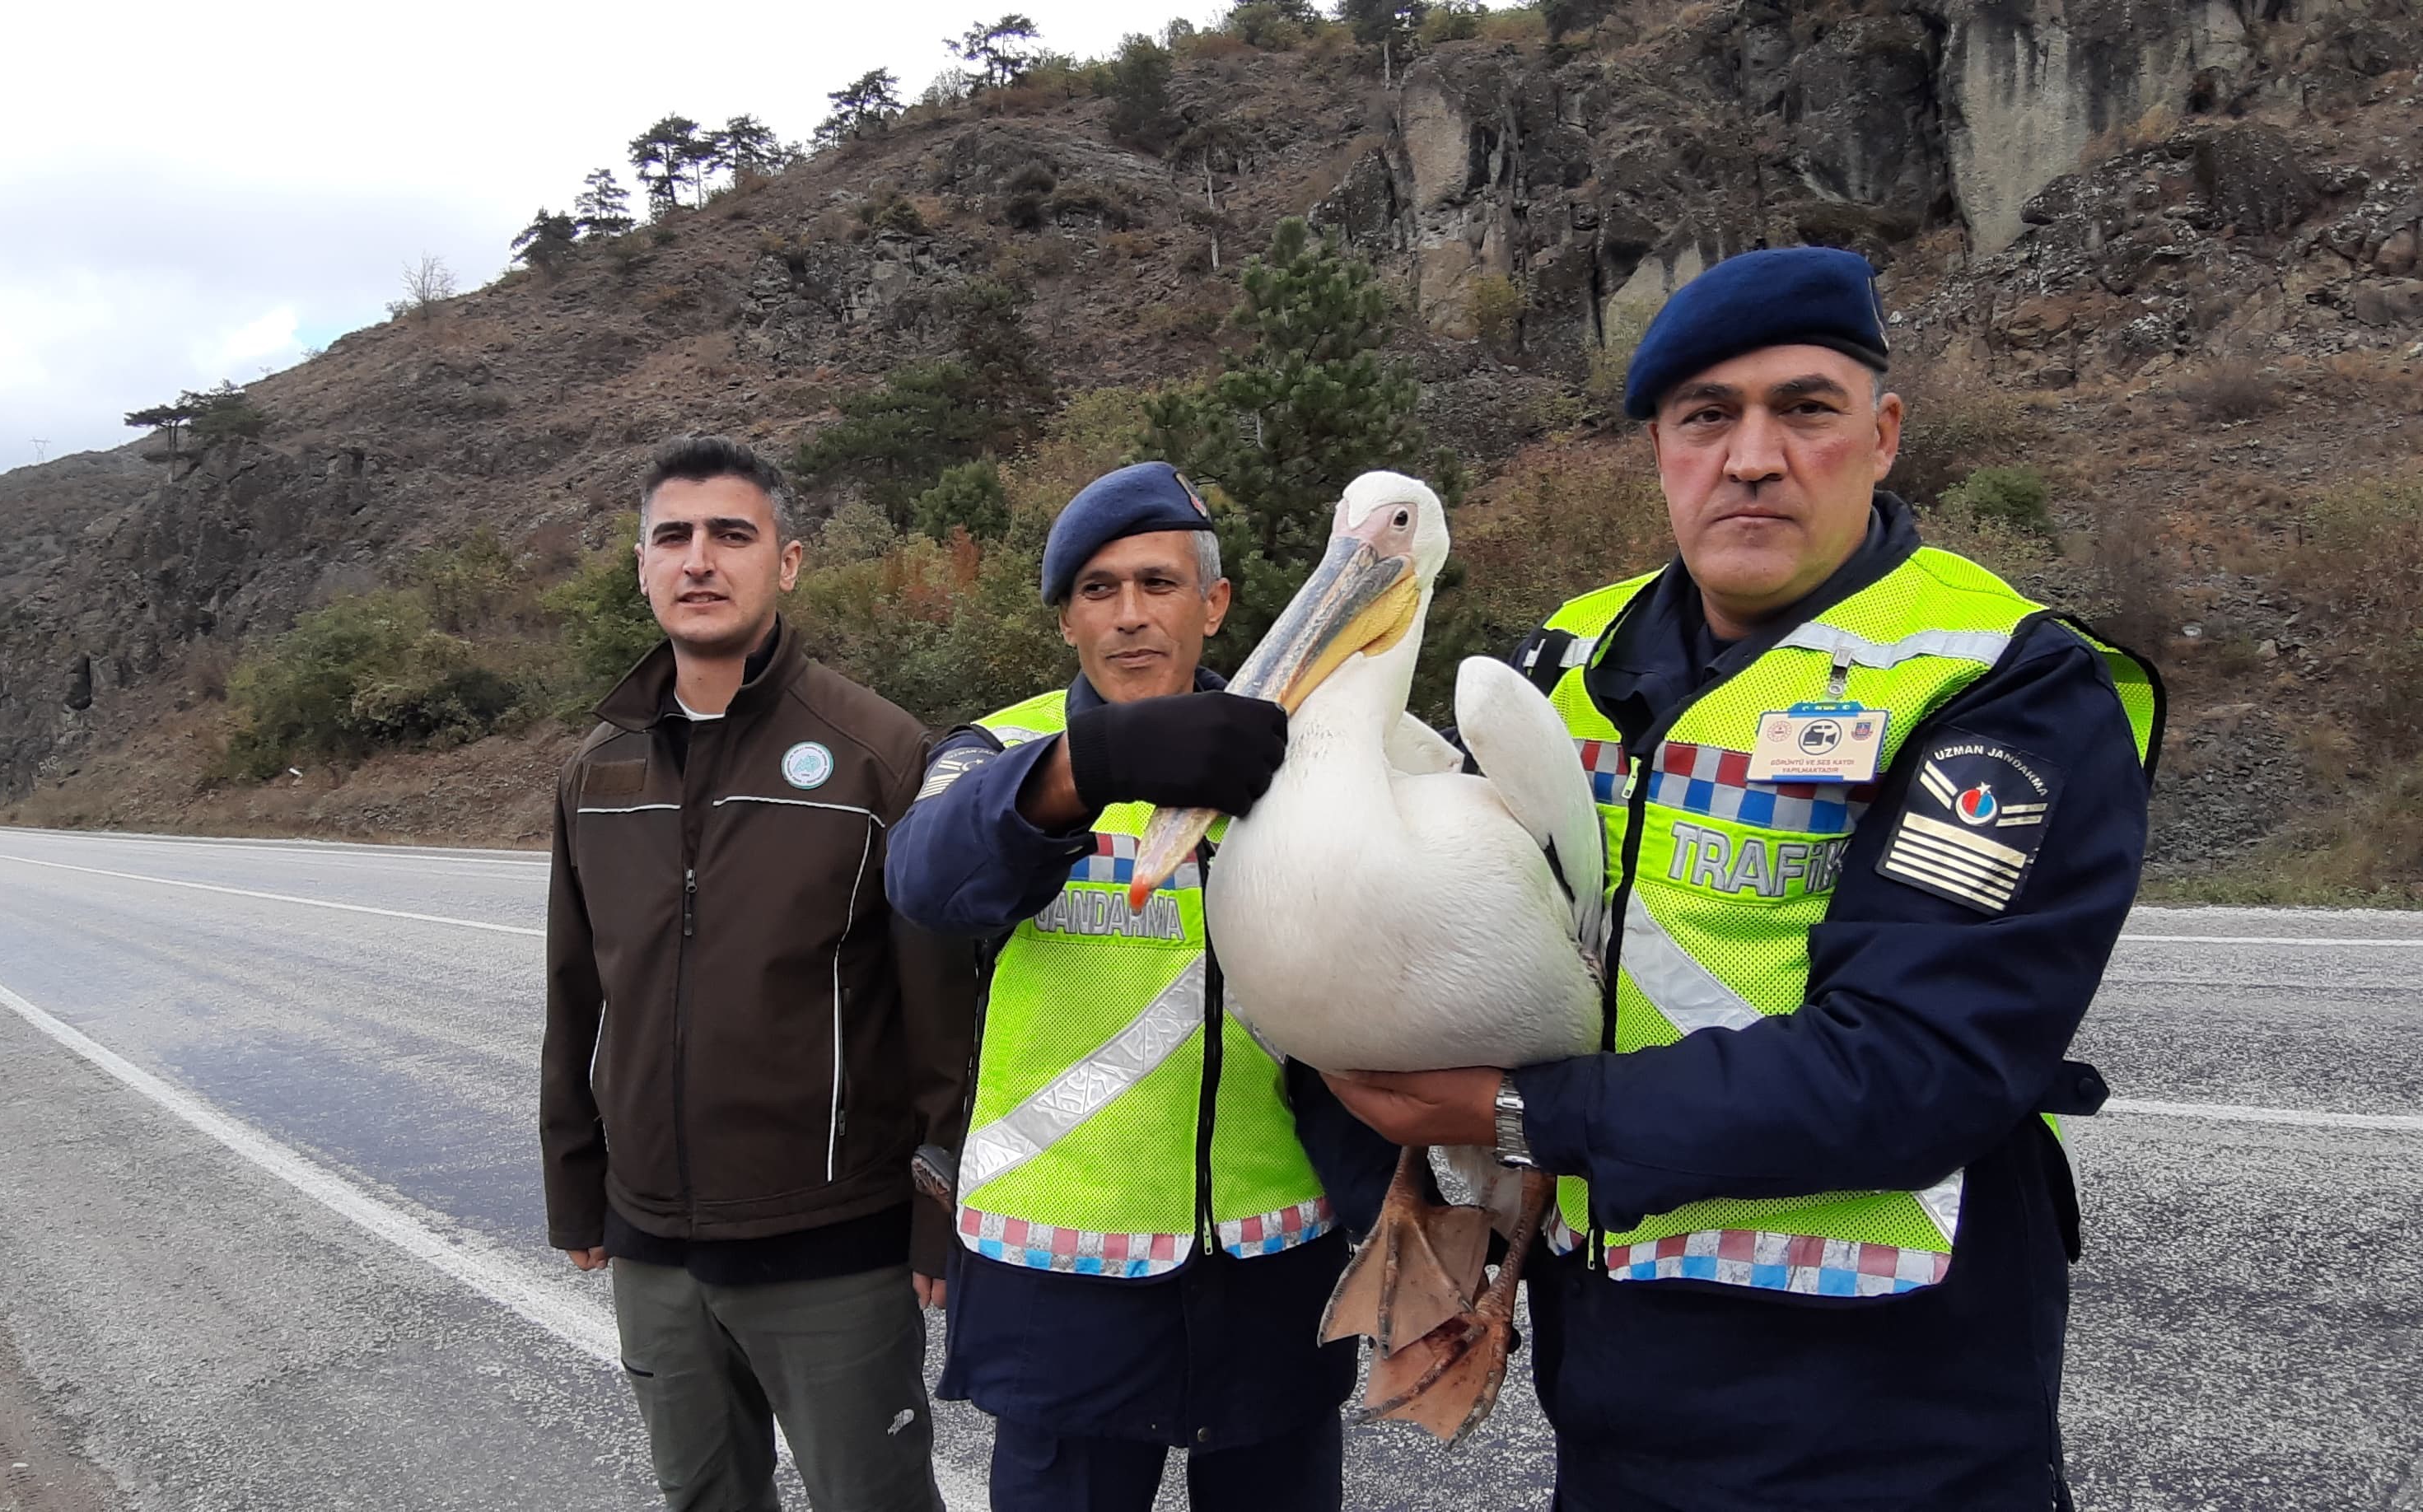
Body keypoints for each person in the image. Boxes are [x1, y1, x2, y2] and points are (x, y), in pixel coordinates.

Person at [1322, 247, 2164, 1510]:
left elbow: (1918, 1065)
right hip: (1616, 1384)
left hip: (1881, 1403)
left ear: (1883, 435)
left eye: (1806, 410)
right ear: (1661, 447)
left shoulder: (2000, 683)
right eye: (1707, 416)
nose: (1753, 456)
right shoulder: (1569, 658)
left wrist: (1511, 1114)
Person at [884, 462, 1395, 1512]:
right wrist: (1088, 767)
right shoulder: (1001, 750)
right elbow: (926, 876)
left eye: (1158, 585)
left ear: (1214, 607)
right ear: (1065, 618)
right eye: (1097, 590)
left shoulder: (1312, 763)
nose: (1128, 616)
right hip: (1060, 1280)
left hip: (1274, 1263)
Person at [540, 435, 973, 1512]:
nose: (699, 560)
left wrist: (938, 1203)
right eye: (671, 537)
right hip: (652, 1248)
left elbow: (941, 1015)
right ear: (640, 566)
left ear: (786, 562)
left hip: (834, 1250)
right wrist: (575, 1186)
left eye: (731, 535)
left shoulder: (878, 752)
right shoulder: (597, 770)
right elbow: (572, 995)